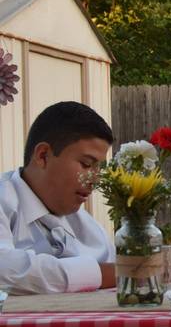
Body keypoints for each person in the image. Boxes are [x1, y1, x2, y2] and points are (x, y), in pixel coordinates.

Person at [0, 101, 116, 294]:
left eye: (99, 169)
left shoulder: (88, 227)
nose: (95, 180)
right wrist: (101, 275)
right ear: (43, 155)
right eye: (86, 164)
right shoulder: (5, 201)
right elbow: (4, 270)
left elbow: (122, 270)